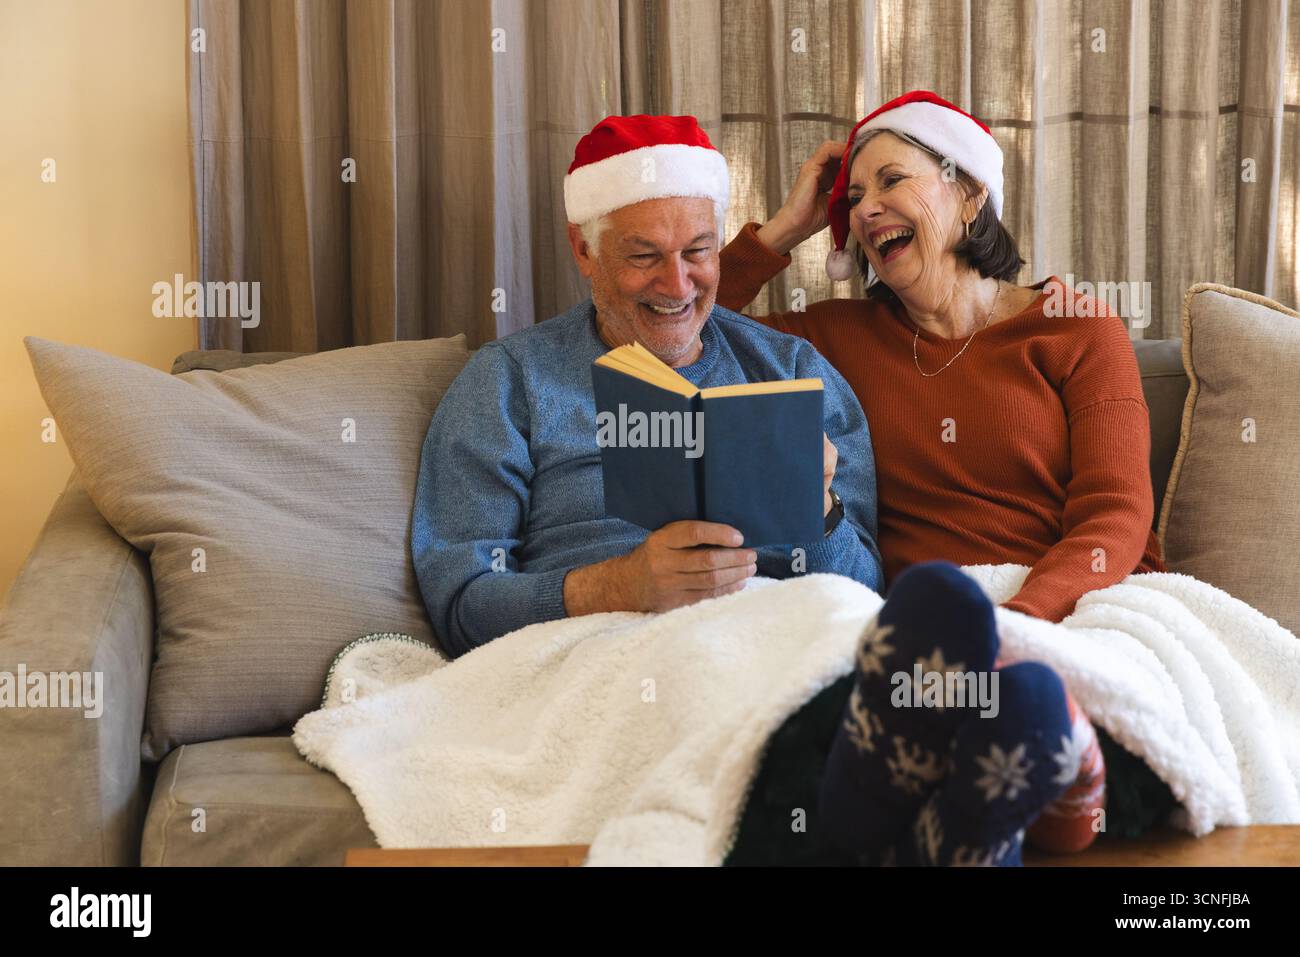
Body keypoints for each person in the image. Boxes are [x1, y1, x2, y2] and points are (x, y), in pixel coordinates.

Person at [717, 91, 1172, 864]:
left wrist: (1014, 626)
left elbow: (1115, 516)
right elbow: (695, 331)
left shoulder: (1075, 327)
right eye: (852, 197)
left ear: (968, 196)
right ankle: (1024, 800)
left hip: (1071, 599)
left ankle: (983, 791)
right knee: (922, 659)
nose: (865, 210)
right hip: (921, 625)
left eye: (893, 181)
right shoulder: (835, 339)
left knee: (1015, 692)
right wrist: (781, 232)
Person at [411, 114, 884, 663]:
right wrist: (620, 587)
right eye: (644, 256)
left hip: (774, 650)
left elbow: (866, 597)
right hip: (596, 657)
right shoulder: (510, 381)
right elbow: (461, 605)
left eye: (699, 251)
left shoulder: (793, 370)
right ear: (584, 251)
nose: (678, 285)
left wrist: (817, 509)